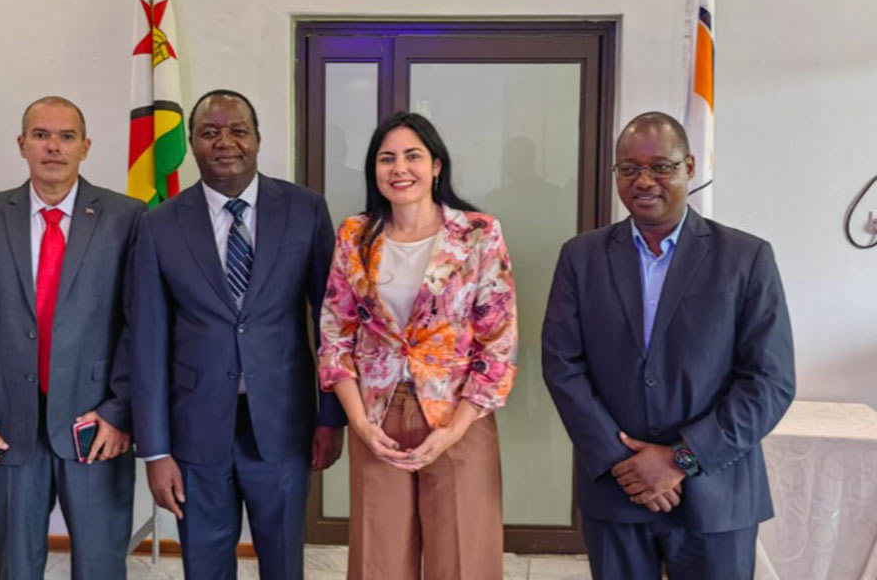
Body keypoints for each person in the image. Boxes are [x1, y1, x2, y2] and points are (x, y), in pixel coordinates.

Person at [541, 111, 795, 579]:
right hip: (617, 491)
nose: (644, 181)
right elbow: (562, 365)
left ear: (689, 167)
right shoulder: (581, 257)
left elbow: (770, 381)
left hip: (718, 495)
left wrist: (682, 458)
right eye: (629, 168)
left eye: (661, 167)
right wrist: (625, 464)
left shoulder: (746, 258)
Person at [127, 89, 346, 580]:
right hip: (194, 428)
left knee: (283, 563)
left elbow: (332, 321)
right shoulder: (159, 224)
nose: (225, 142)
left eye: (238, 131)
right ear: (191, 143)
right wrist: (155, 450)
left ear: (258, 139)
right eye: (209, 132)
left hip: (285, 424)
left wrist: (331, 417)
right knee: (204, 566)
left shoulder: (306, 210)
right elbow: (147, 341)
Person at [0, 96, 144, 580]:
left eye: (67, 136)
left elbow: (143, 324)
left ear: (86, 147)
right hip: (7, 426)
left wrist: (120, 411)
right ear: (22, 144)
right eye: (41, 135)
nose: (54, 147)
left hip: (97, 428)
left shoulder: (127, 218)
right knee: (16, 568)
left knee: (100, 568)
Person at [318, 111, 518, 580]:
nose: (400, 168)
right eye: (386, 158)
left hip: (458, 420)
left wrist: (454, 430)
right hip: (377, 418)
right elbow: (334, 334)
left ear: (436, 166)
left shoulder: (478, 233)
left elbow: (499, 343)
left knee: (463, 560)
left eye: (413, 156)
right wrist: (359, 423)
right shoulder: (354, 236)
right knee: (378, 561)